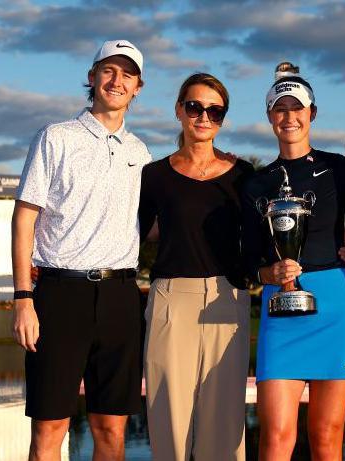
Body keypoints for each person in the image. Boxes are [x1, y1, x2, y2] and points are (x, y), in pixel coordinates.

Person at [11, 39, 149, 461]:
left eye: (127, 74)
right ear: (92, 78)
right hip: (59, 295)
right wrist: (22, 298)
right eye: (108, 70)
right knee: (50, 430)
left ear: (138, 88)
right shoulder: (56, 137)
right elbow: (24, 219)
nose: (117, 80)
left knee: (111, 430)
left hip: (121, 298)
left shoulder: (141, 153)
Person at [241, 62, 345, 461]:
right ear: (270, 117)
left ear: (312, 113)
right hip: (280, 308)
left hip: (336, 305)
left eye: (297, 108)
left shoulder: (340, 169)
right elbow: (246, 261)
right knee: (276, 437)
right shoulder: (257, 183)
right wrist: (268, 273)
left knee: (327, 435)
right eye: (280, 109)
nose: (289, 117)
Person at [139, 73, 253, 461]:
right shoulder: (153, 176)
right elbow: (139, 234)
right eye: (195, 107)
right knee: (170, 427)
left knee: (223, 434)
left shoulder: (243, 176)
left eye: (214, 111)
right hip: (171, 301)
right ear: (179, 111)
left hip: (228, 299)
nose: (204, 117)